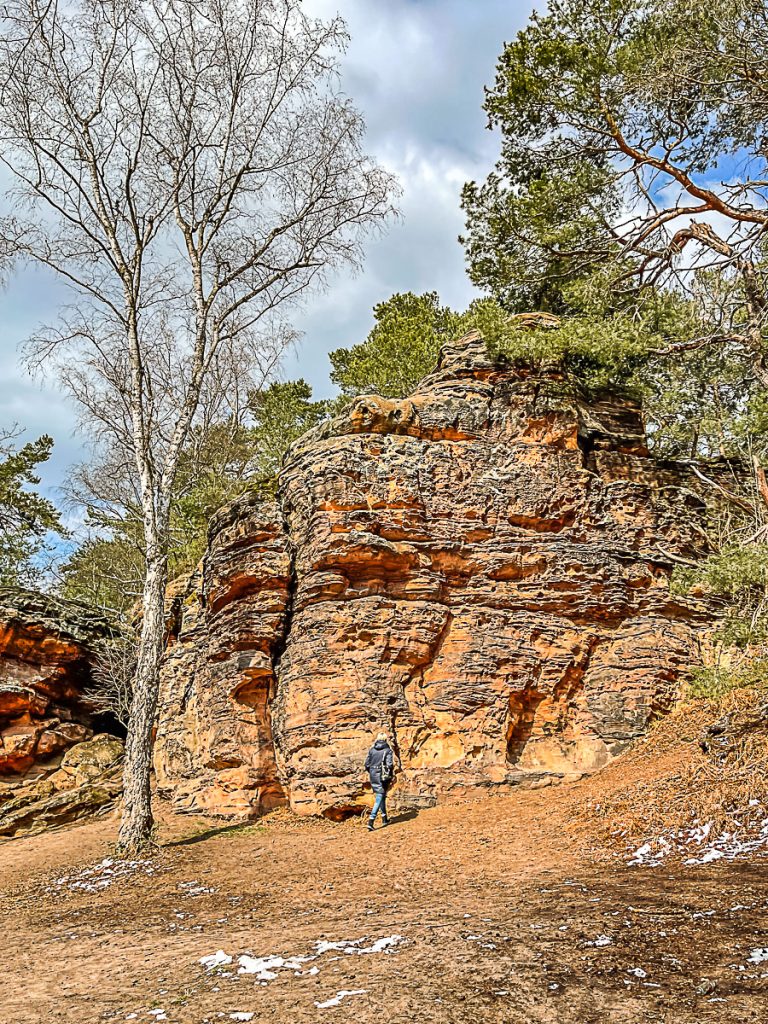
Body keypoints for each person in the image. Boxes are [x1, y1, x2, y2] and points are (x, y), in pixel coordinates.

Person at [364, 731, 394, 831]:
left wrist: (372, 771)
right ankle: (371, 821)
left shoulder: (372, 750)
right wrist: (389, 773)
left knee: (381, 795)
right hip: (383, 776)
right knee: (380, 796)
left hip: (373, 774)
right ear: (385, 739)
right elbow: (389, 764)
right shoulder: (388, 750)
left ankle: (384, 818)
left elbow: (367, 764)